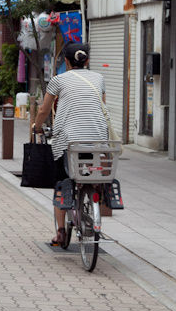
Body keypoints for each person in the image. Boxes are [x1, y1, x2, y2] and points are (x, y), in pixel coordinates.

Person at [33, 42, 120, 246]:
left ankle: (61, 232)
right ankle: (95, 195)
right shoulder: (99, 78)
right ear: (87, 60)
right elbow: (102, 105)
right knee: (91, 173)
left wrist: (37, 127)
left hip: (69, 141)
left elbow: (44, 111)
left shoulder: (58, 80)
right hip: (98, 139)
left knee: (62, 182)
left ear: (66, 61)